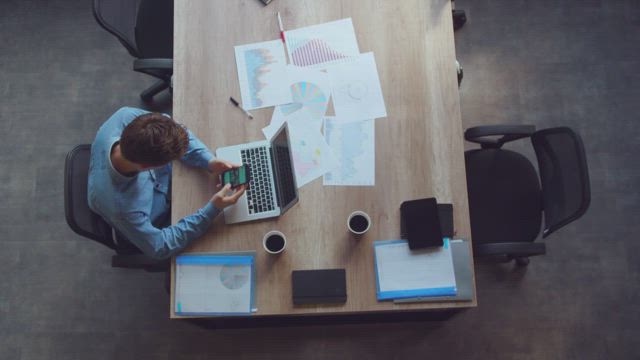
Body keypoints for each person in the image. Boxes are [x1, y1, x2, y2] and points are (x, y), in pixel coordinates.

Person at [88, 107, 245, 259]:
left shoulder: (126, 117)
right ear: (147, 167)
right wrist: (213, 209)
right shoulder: (125, 209)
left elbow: (171, 128)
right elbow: (160, 247)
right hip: (153, 216)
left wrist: (209, 161)